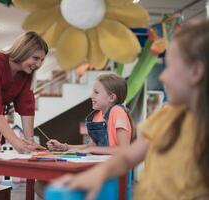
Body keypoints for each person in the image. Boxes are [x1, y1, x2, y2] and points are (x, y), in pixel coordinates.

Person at [53, 19, 209, 200]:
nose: (163, 77)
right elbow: (127, 157)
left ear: (195, 72)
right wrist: (95, 175)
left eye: (170, 66)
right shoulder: (165, 117)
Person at [43, 74, 133, 200]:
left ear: (111, 97)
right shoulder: (97, 116)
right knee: (42, 185)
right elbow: (90, 146)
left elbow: (124, 150)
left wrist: (92, 150)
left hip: (116, 172)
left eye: (96, 92)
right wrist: (64, 147)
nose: (92, 96)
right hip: (99, 168)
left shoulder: (118, 112)